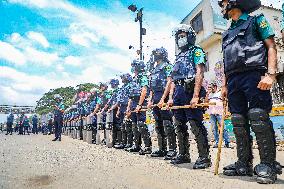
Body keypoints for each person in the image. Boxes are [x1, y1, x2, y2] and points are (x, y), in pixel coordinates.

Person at [218, 0, 282, 184]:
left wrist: (271, 75)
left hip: (254, 75)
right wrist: (224, 85)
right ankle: (243, 163)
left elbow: (271, 46)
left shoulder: (256, 21)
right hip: (233, 80)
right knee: (238, 121)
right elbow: (225, 62)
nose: (222, 7)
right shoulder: (226, 33)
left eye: (223, 2)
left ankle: (268, 165)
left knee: (258, 117)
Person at [167, 24, 211, 169]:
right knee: (179, 125)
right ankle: (183, 154)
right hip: (178, 91)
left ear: (190, 37)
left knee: (195, 124)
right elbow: (173, 79)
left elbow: (200, 72)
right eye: (178, 37)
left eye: (183, 36)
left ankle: (204, 157)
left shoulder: (196, 51)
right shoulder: (178, 56)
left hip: (191, 89)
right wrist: (171, 98)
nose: (180, 39)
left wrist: (196, 95)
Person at [148, 47, 177, 159]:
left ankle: (172, 149)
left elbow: (170, 82)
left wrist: (164, 98)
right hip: (155, 96)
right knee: (158, 124)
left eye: (157, 53)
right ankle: (162, 148)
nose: (155, 55)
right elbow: (151, 87)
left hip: (163, 96)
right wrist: (150, 100)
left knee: (167, 123)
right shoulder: (154, 69)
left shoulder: (167, 66)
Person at [126, 60, 152, 155]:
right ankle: (137, 145)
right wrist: (129, 108)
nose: (133, 68)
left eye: (134, 66)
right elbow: (130, 95)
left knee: (141, 124)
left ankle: (147, 146)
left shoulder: (143, 77)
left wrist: (140, 105)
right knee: (134, 125)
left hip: (141, 101)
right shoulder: (134, 79)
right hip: (133, 101)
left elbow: (144, 91)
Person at [205, 82, 230, 148]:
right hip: (211, 114)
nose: (210, 89)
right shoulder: (209, 94)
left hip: (219, 113)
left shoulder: (220, 93)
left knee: (223, 128)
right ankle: (217, 142)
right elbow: (206, 103)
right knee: (214, 128)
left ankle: (227, 142)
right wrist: (207, 94)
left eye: (211, 87)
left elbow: (225, 101)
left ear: (215, 87)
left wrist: (226, 111)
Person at [115, 73, 133, 149]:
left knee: (128, 126)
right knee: (122, 126)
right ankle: (123, 142)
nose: (122, 79)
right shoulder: (122, 87)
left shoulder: (130, 85)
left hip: (127, 106)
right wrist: (118, 110)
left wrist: (128, 108)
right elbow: (119, 100)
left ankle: (130, 143)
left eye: (123, 77)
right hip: (122, 107)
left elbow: (130, 97)